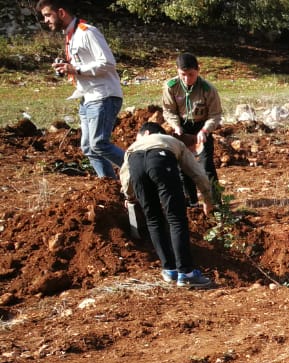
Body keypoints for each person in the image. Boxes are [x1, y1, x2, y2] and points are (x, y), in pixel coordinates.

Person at [36, 0, 125, 179]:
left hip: (103, 95)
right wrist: (65, 67)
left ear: (61, 13)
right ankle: (110, 185)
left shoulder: (87, 32)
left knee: (98, 144)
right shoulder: (72, 35)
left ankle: (143, 168)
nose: (45, 20)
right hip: (88, 97)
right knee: (89, 148)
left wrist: (75, 69)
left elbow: (108, 63)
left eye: (48, 15)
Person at [119, 122, 215, 288]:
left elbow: (125, 176)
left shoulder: (132, 147)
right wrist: (208, 198)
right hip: (160, 159)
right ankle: (186, 274)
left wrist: (129, 197)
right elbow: (197, 172)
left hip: (136, 163)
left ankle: (169, 270)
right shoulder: (172, 141)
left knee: (153, 219)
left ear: (146, 133)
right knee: (176, 219)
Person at [161, 53, 223, 205]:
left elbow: (215, 114)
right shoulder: (171, 86)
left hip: (202, 127)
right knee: (184, 167)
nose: (187, 79)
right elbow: (168, 110)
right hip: (182, 127)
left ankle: (216, 203)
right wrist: (176, 126)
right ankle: (192, 202)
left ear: (198, 70)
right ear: (177, 71)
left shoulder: (207, 89)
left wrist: (205, 130)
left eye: (191, 75)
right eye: (183, 75)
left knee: (206, 166)